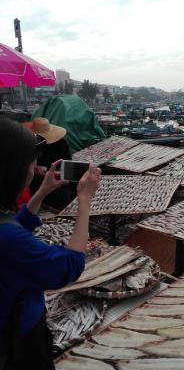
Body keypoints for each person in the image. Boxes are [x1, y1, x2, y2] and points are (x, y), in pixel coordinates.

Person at [0, 117, 101, 370]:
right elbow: (69, 265)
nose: (35, 168)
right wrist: (85, 201)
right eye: (30, 162)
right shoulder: (10, 240)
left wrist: (42, 191)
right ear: (10, 168)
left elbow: (14, 226)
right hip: (17, 339)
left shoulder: (6, 229)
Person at [22, 117, 74, 210]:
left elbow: (67, 169)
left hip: (57, 187)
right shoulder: (28, 143)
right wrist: (35, 168)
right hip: (35, 186)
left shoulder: (61, 143)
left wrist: (49, 174)